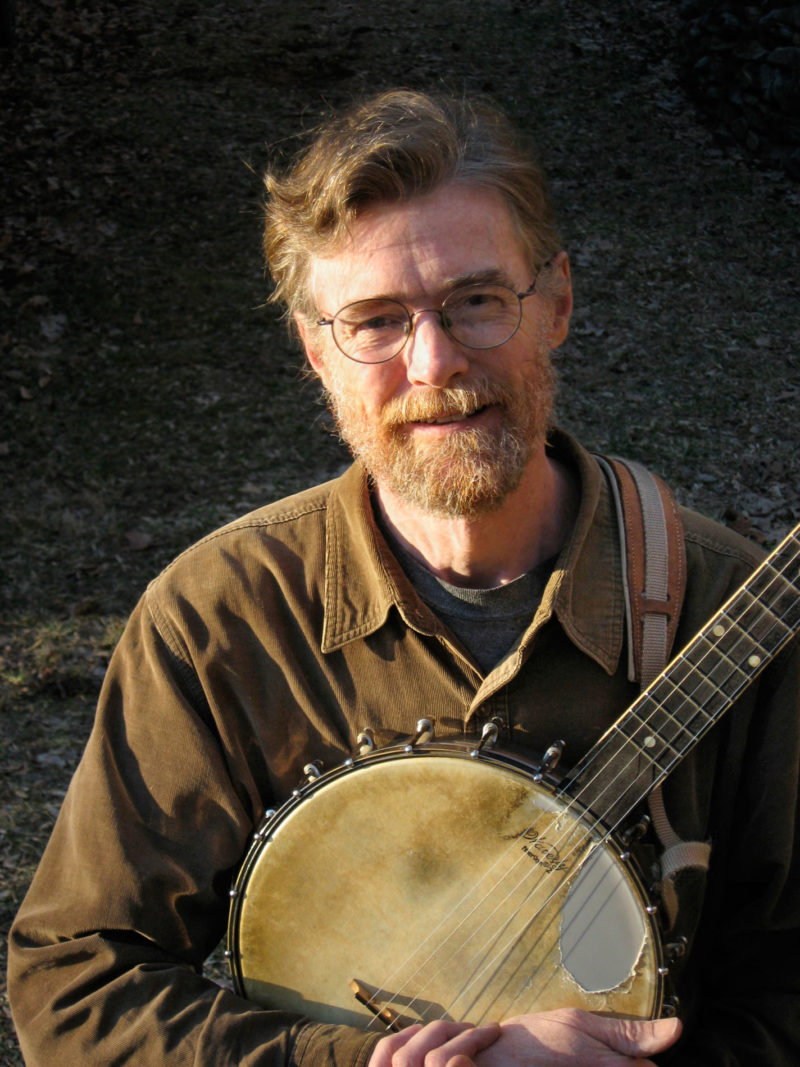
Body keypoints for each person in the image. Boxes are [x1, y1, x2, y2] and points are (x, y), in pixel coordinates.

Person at [8, 89, 800, 1066]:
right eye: (375, 320)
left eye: (476, 300)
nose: (434, 362)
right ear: (315, 350)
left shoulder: (733, 610)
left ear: (554, 302)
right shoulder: (216, 621)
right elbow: (78, 983)